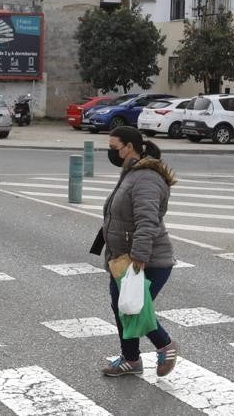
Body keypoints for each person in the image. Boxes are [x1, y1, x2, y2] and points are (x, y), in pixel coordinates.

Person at [92, 125, 179, 378]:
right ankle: (131, 359)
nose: (111, 152)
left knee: (135, 309)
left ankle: (166, 346)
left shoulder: (146, 178)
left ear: (129, 147)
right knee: (123, 308)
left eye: (114, 148)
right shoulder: (131, 173)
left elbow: (147, 220)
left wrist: (139, 257)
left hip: (148, 260)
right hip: (121, 258)